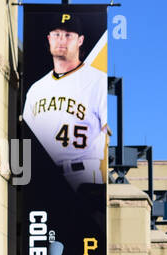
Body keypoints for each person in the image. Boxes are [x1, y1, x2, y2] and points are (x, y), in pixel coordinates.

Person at [22, 11, 109, 189]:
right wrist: (20, 177)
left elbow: (108, 132)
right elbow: (23, 138)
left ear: (80, 40)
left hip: (84, 174)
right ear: (48, 39)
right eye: (57, 34)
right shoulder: (36, 89)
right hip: (43, 176)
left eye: (68, 35)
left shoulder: (98, 81)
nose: (61, 40)